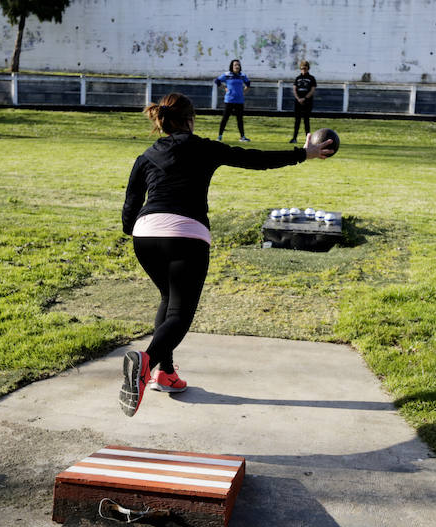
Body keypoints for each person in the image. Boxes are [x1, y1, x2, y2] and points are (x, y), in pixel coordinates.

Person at [119, 92, 332, 417]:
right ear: (191, 120)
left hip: (144, 236)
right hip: (186, 236)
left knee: (168, 297)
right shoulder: (203, 147)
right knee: (179, 313)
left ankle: (166, 373)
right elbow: (256, 159)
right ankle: (145, 363)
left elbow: (127, 214)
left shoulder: (145, 157)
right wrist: (304, 154)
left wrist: (147, 226)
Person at [214, 59, 251, 142]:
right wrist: (224, 88)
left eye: (238, 65)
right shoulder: (227, 75)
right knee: (225, 118)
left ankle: (242, 137)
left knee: (240, 119)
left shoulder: (242, 75)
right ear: (232, 66)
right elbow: (217, 81)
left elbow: (248, 84)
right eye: (235, 65)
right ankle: (219, 136)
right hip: (229, 100)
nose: (237, 66)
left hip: (239, 101)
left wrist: (243, 92)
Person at [289, 60, 317, 144]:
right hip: (298, 102)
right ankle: (294, 138)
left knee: (306, 121)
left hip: (307, 102)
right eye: (302, 68)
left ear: (308, 68)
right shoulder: (298, 78)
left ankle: (308, 140)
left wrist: (304, 98)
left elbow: (312, 90)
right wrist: (298, 98)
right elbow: (294, 89)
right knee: (297, 121)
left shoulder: (311, 78)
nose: (303, 70)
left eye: (305, 68)